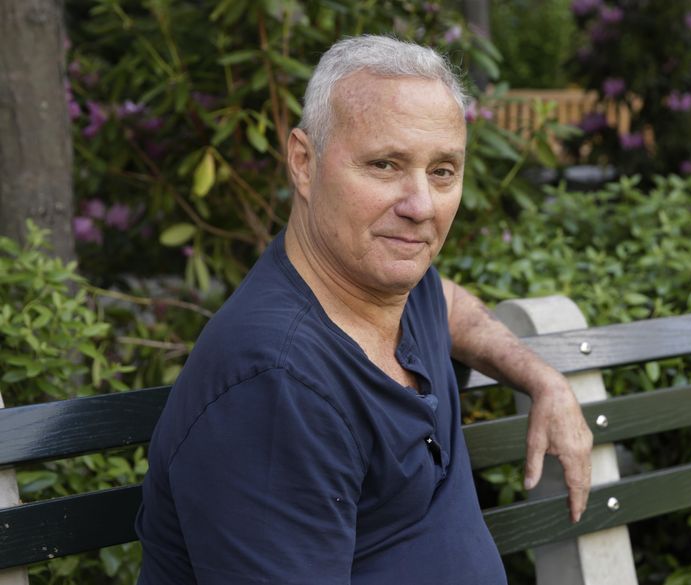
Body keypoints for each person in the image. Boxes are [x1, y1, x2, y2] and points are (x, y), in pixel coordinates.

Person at [136, 35, 592, 585]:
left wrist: (541, 378)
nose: (420, 205)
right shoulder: (274, 386)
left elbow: (448, 305)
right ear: (304, 163)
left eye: (442, 171)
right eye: (384, 164)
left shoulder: (396, 282)